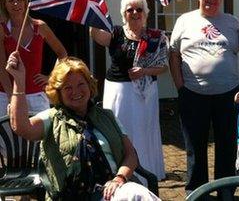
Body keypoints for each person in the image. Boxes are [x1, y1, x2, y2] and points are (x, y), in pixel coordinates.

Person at [5, 52, 160, 200]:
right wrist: (19, 80)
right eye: (68, 88)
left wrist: (119, 178)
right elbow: (22, 128)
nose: (76, 92)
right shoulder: (51, 118)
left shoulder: (106, 116)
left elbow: (130, 154)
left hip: (115, 188)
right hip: (74, 195)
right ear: (58, 92)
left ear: (89, 85)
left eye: (81, 84)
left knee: (136, 193)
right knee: (137, 195)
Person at [169, 0, 239, 193]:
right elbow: (173, 55)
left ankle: (225, 191)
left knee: (226, 145)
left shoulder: (232, 22)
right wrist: (180, 87)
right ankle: (197, 192)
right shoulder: (184, 20)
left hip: (228, 95)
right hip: (193, 94)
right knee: (195, 147)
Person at [90, 0, 168, 180]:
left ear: (145, 13)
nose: (134, 12)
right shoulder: (115, 32)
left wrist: (144, 71)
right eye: (129, 9)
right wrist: (94, 13)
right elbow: (94, 34)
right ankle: (120, 170)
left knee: (143, 130)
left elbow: (164, 67)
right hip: (118, 91)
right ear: (123, 13)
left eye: (139, 9)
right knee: (119, 130)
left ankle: (145, 173)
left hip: (144, 92)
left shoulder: (156, 37)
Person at [0, 0, 67, 116]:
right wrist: (11, 97)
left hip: (36, 96)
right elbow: (1, 67)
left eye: (19, 0)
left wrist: (51, 77)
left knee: (40, 136)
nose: (15, 4)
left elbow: (62, 53)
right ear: (4, 5)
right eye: (11, 1)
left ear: (25, 2)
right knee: (7, 137)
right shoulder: (2, 30)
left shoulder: (40, 27)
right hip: (6, 96)